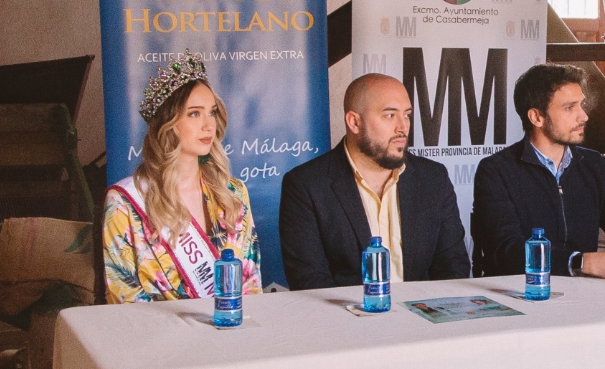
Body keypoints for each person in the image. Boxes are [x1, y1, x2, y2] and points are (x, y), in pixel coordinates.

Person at [279, 73, 470, 290]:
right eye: (389, 115)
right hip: (347, 320)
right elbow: (310, 282)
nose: (403, 127)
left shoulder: (433, 178)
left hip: (424, 316)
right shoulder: (306, 185)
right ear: (354, 122)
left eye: (407, 115)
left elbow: (453, 267)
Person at [472, 63, 605, 279]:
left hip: (584, 297)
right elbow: (508, 253)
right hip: (521, 297)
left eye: (581, 105)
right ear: (536, 117)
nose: (584, 116)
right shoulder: (496, 171)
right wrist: (584, 263)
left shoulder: (594, 165)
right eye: (570, 107)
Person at [103, 55, 261, 303]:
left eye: (212, 112)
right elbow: (122, 297)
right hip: (159, 338)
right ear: (168, 124)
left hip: (232, 332)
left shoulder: (233, 193)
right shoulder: (124, 203)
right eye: (194, 114)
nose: (209, 125)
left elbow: (251, 283)